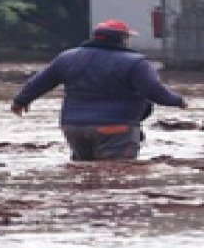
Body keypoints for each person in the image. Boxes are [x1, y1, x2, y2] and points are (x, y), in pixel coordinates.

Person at [11, 19, 187, 161]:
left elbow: (41, 82)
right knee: (118, 177)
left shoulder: (67, 57)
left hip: (74, 128)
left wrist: (21, 101)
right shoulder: (135, 62)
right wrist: (177, 101)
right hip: (115, 127)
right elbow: (152, 90)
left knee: (85, 178)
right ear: (121, 39)